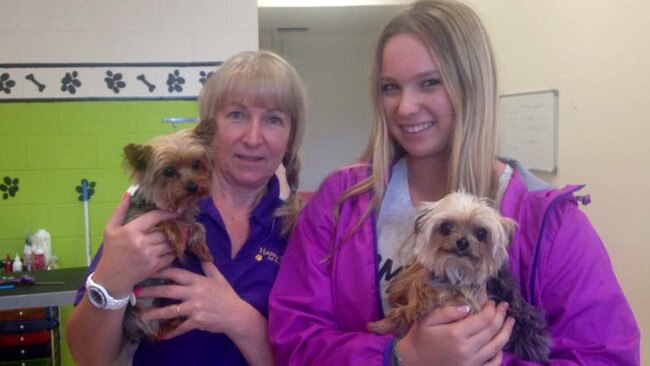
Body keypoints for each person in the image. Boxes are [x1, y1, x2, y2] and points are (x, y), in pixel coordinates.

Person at [267, 1, 640, 365]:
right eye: (390, 87)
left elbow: (607, 355)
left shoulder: (548, 223)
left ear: (472, 85)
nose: (405, 107)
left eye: (429, 83)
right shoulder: (342, 202)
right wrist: (398, 357)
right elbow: (294, 339)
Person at [66, 50, 307, 366]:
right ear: (207, 130)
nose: (253, 137)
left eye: (274, 119)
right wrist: (110, 279)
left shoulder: (300, 230)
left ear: (290, 138)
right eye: (236, 115)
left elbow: (311, 356)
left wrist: (239, 319)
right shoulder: (152, 215)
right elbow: (88, 358)